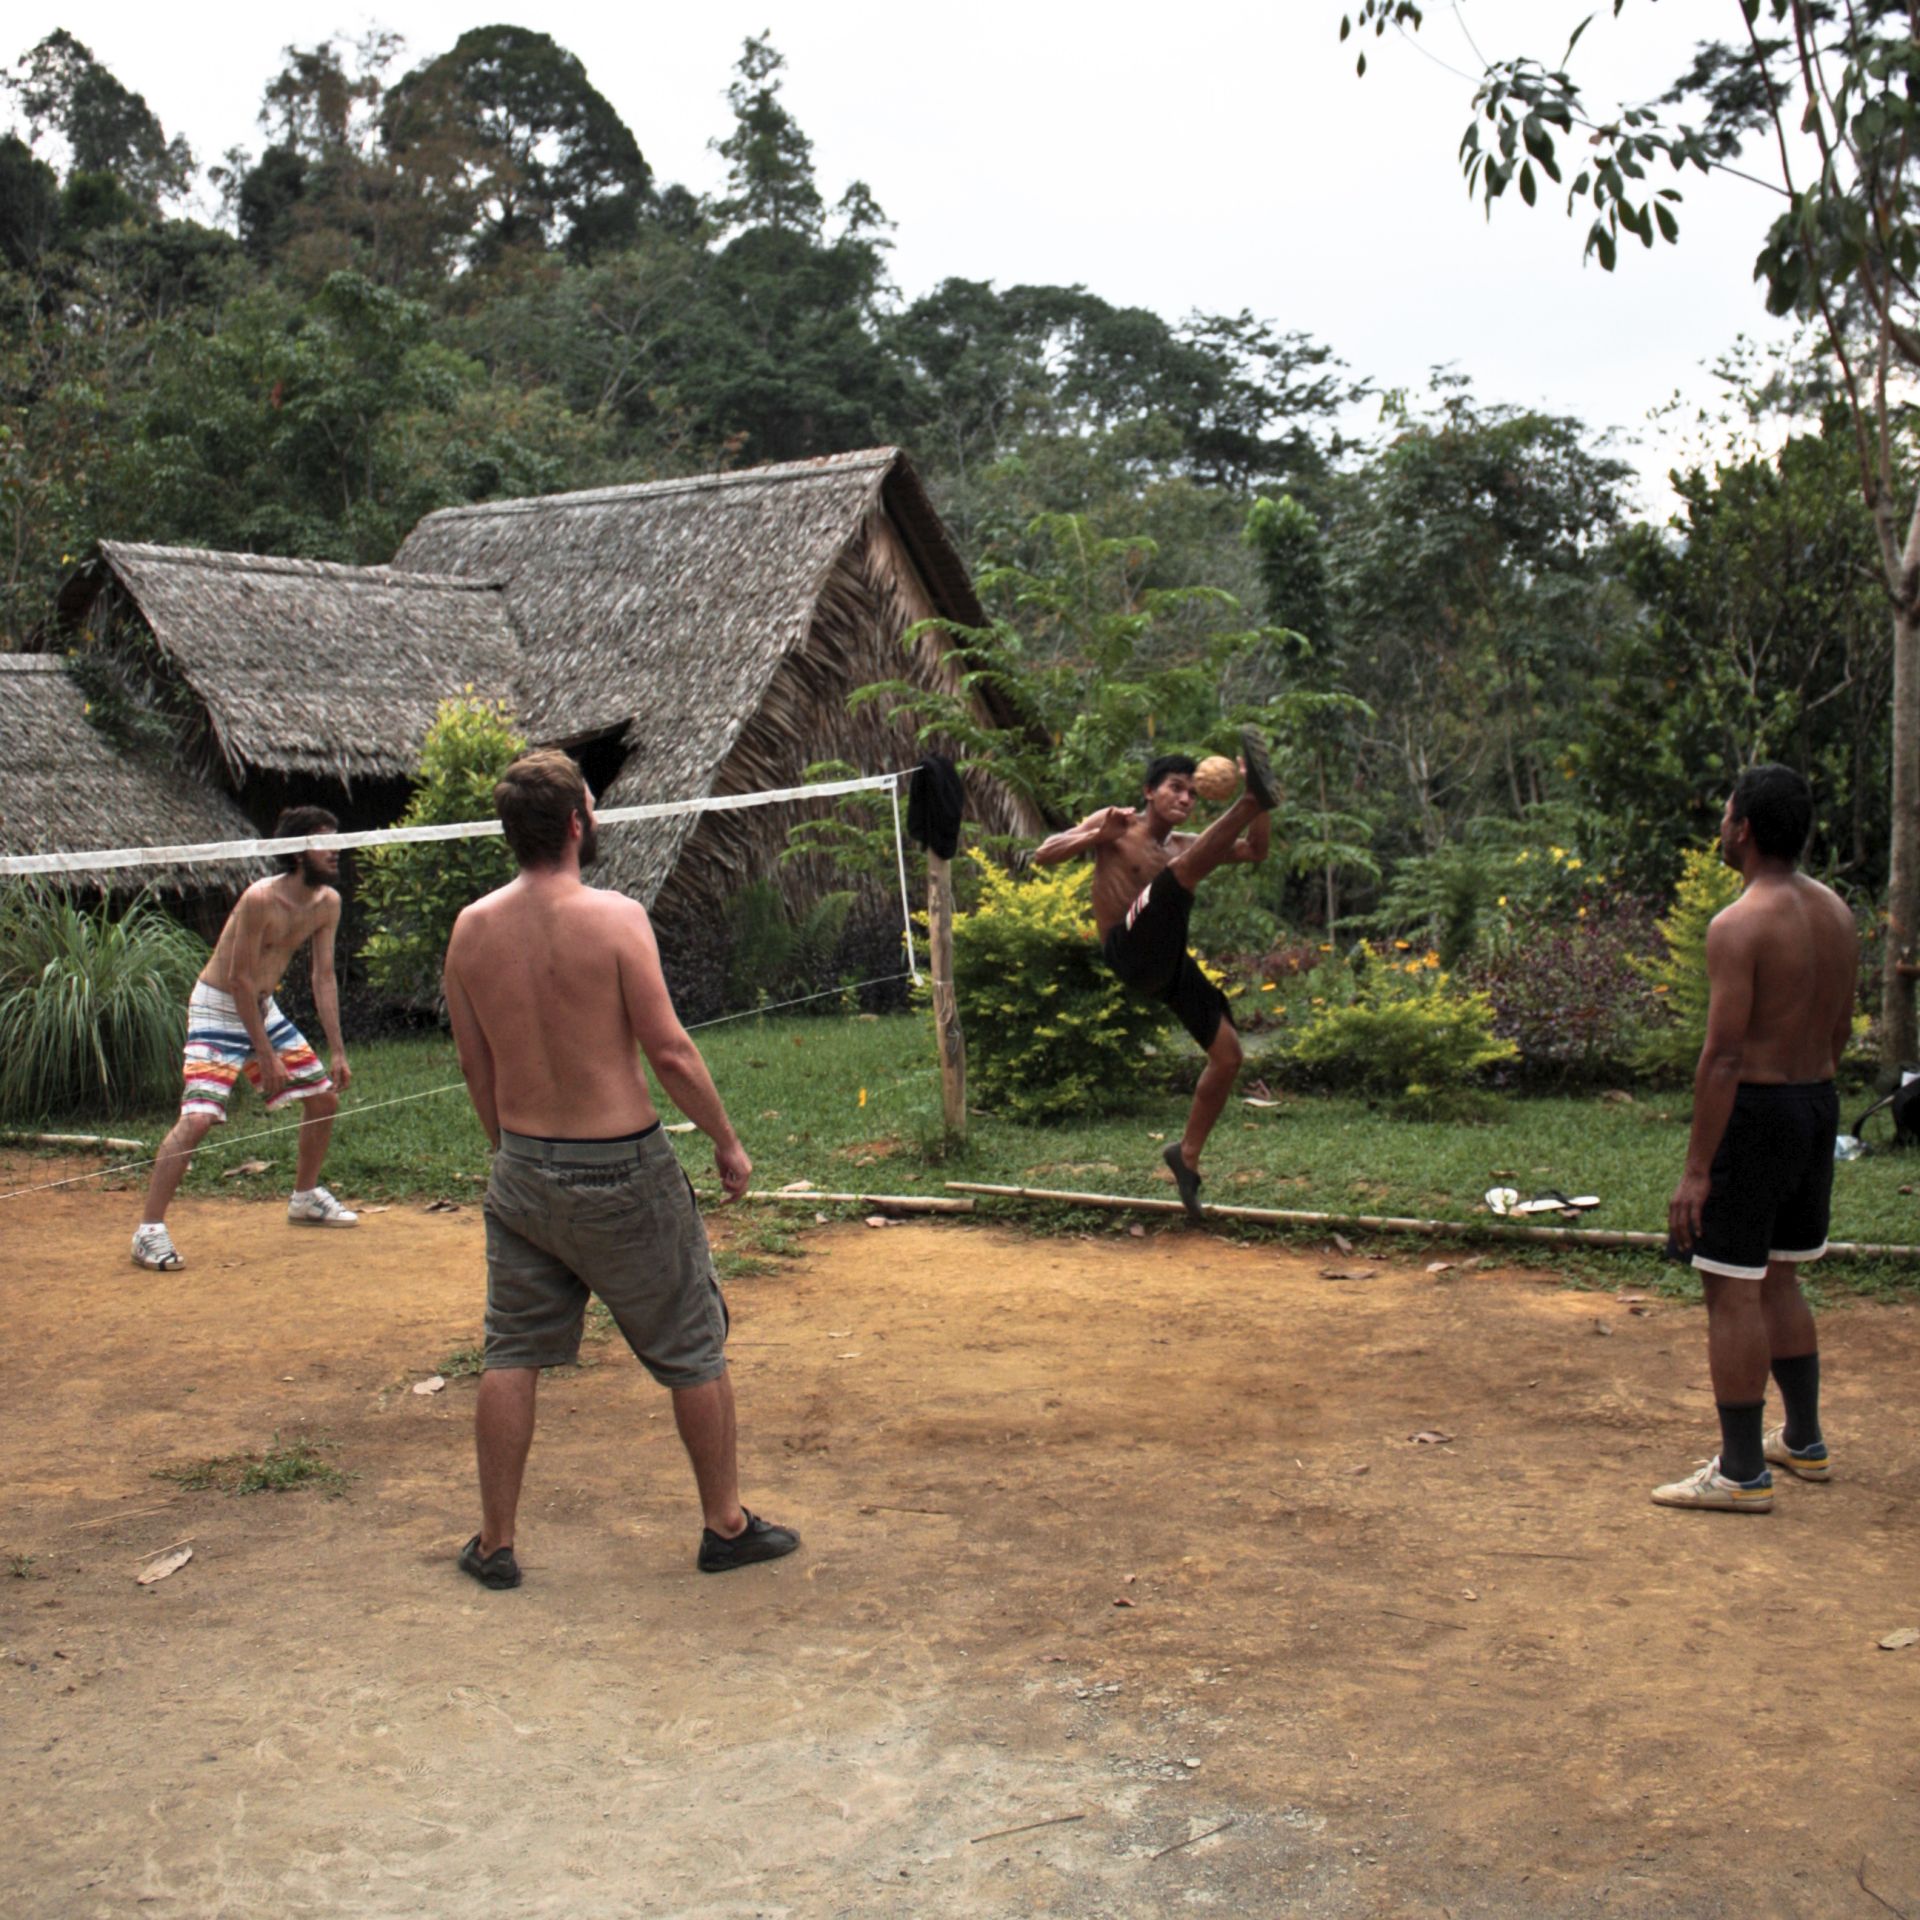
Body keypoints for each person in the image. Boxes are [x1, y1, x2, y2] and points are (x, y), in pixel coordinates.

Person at [441, 747, 798, 1586]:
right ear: (576, 824)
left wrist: (508, 1151)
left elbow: (474, 1064)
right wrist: (727, 1141)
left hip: (523, 1169)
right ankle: (725, 1525)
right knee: (693, 1344)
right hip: (623, 1170)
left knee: (512, 1350)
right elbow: (668, 1051)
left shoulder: (471, 929)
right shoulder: (616, 918)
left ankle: (495, 1543)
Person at [1656, 764, 1857, 1513]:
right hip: (1817, 1103)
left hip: (1759, 1111)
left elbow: (1724, 1057)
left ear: (1743, 829)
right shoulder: (1836, 912)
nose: (1720, 825)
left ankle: (1741, 1472)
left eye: (1725, 814)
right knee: (1780, 1276)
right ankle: (1803, 1440)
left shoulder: (1737, 925)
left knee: (1731, 1285)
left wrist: (1697, 1171)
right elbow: (1839, 1028)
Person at [1031, 728, 1278, 1221]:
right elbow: (1044, 853)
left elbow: (1255, 850)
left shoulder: (1188, 845)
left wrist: (1263, 810)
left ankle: (1186, 1157)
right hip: (1126, 950)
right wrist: (1094, 836)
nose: (1184, 798)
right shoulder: (1117, 825)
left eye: (1192, 792)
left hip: (1166, 963)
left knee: (1228, 1056)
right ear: (1149, 791)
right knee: (1180, 874)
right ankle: (1252, 799)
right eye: (1174, 788)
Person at [131, 806, 355, 1272]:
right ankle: (148, 1230)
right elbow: (238, 980)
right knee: (198, 1118)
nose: (335, 850)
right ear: (297, 852)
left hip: (262, 1007)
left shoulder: (327, 903)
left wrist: (337, 1049)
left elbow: (323, 977)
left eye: (336, 840)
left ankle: (305, 1197)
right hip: (218, 1006)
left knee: (323, 1098)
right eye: (323, 841)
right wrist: (265, 1056)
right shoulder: (259, 899)